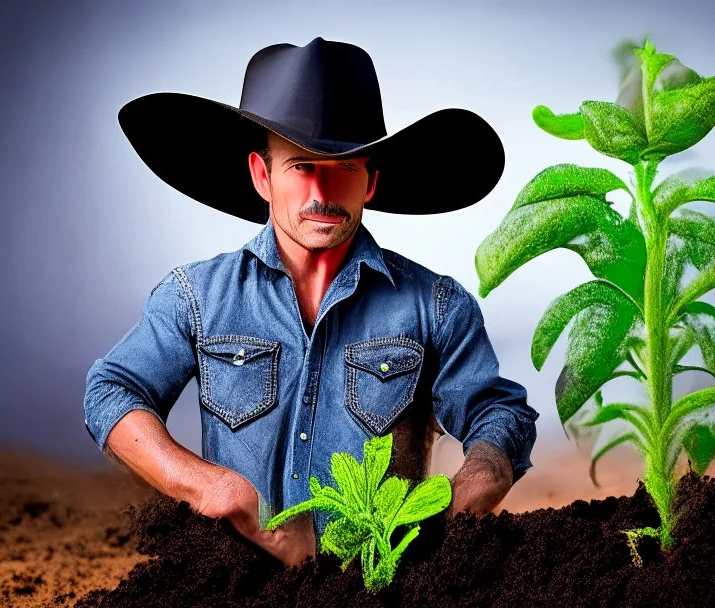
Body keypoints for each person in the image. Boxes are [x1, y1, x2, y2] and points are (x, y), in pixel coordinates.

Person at [83, 36, 538, 568]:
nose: (322, 190)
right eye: (301, 165)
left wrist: (467, 494)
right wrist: (205, 485)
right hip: (231, 584)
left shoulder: (435, 306)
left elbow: (499, 412)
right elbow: (112, 390)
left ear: (370, 182)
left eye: (344, 167)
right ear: (261, 175)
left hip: (381, 584)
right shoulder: (197, 296)